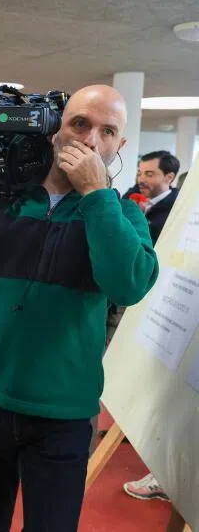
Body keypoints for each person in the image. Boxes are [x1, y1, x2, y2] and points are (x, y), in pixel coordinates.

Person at [0, 85, 159, 531]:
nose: (91, 140)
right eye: (79, 124)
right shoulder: (0, 202)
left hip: (63, 414)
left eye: (107, 131)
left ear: (120, 145)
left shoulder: (122, 216)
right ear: (54, 132)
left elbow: (128, 285)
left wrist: (95, 196)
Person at [119, 150, 180, 501]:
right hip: (136, 298)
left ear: (169, 178)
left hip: (165, 299)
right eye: (141, 171)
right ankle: (130, 420)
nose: (143, 178)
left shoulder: (178, 210)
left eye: (151, 173)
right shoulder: (131, 196)